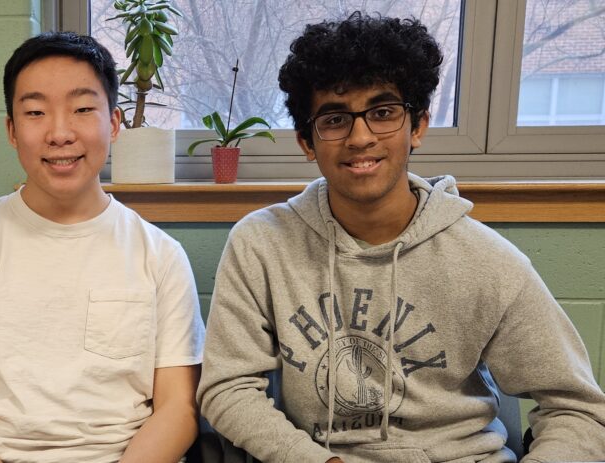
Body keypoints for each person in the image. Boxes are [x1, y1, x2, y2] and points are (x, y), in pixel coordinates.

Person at [197, 12, 605, 463]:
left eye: (383, 112)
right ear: (306, 141)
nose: (360, 137)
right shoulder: (261, 243)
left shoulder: (486, 259)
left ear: (418, 126)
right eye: (335, 119)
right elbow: (228, 389)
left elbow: (577, 408)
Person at [0, 32, 205, 462]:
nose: (59, 133)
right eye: (36, 112)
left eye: (82, 109)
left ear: (113, 123)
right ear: (12, 131)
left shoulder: (159, 255)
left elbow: (178, 409)